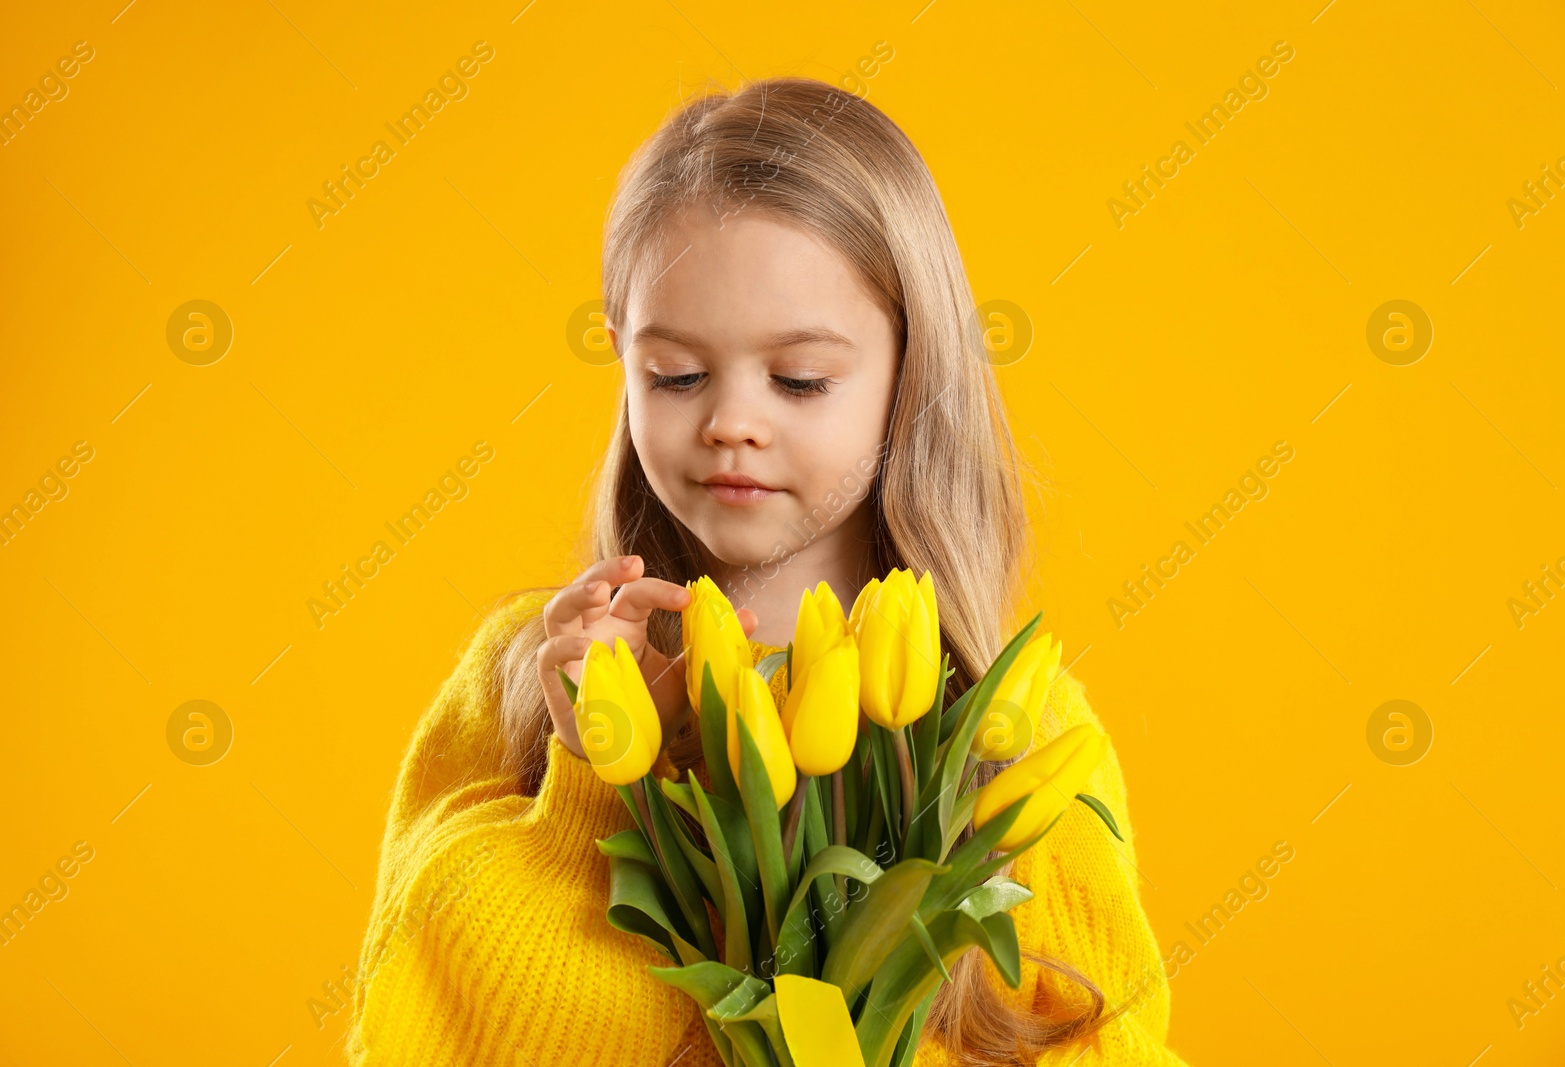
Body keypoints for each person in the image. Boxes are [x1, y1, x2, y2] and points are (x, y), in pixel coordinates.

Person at [345, 76, 1189, 1066]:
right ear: (621, 361)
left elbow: (1109, 1040)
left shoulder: (1022, 730)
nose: (729, 421)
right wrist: (599, 774)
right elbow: (426, 1034)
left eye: (799, 378)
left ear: (912, 371)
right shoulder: (521, 677)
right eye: (677, 375)